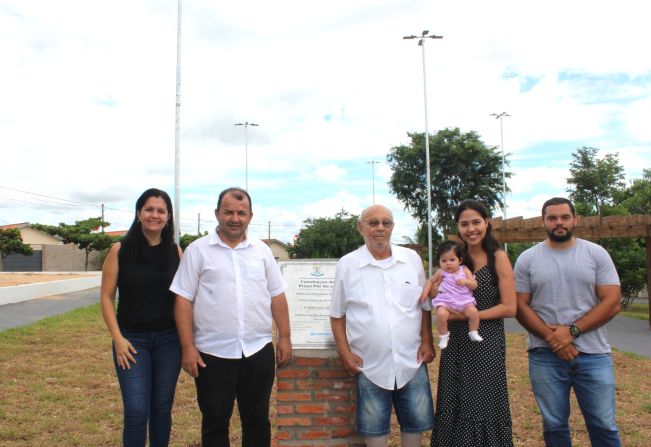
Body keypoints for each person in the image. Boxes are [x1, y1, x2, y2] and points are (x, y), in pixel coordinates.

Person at [170, 187, 292, 447]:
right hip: (212, 355)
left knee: (257, 421)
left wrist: (285, 337)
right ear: (217, 214)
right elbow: (183, 299)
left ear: (250, 216)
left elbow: (277, 295)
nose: (235, 218)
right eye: (228, 212)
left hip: (257, 350)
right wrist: (187, 347)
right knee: (215, 422)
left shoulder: (262, 251)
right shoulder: (197, 251)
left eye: (241, 213)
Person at [514, 197, 622, 446]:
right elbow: (520, 305)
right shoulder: (528, 259)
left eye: (564, 217)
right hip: (544, 354)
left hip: (594, 354)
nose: (559, 223)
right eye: (552, 218)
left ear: (575, 219)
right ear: (543, 222)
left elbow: (612, 301)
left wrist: (571, 331)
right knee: (554, 426)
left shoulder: (596, 254)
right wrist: (554, 339)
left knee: (604, 426)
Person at [330, 204, 436, 447]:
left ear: (392, 227)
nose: (380, 228)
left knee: (415, 423)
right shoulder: (347, 265)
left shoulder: (411, 259)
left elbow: (424, 306)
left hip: (412, 359)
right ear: (360, 227)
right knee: (374, 428)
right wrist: (345, 353)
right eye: (373, 222)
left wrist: (427, 341)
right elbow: (337, 315)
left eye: (386, 223)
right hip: (370, 363)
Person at [422, 199, 516, 447]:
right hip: (454, 343)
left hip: (486, 342)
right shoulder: (454, 259)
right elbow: (436, 292)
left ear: (487, 223)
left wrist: (467, 316)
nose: (471, 228)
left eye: (476, 222)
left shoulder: (498, 257)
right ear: (458, 227)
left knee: (482, 401)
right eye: (464, 224)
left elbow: (510, 307)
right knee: (453, 399)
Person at [100, 188, 183, 447]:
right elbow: (105, 297)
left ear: (168, 217)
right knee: (136, 411)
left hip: (170, 341)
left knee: (161, 409)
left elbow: (184, 299)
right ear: (139, 213)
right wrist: (118, 338)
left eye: (161, 211)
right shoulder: (119, 250)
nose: (154, 215)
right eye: (149, 209)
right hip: (131, 341)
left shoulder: (176, 252)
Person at [427, 240, 482, 349]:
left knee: (474, 313)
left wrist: (466, 282)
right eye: (444, 261)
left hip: (464, 301)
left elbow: (474, 285)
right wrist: (436, 285)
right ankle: (443, 335)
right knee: (440, 314)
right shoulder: (441, 273)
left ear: (460, 260)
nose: (448, 263)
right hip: (447, 301)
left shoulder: (464, 271)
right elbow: (431, 282)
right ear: (439, 262)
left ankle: (473, 331)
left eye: (452, 260)